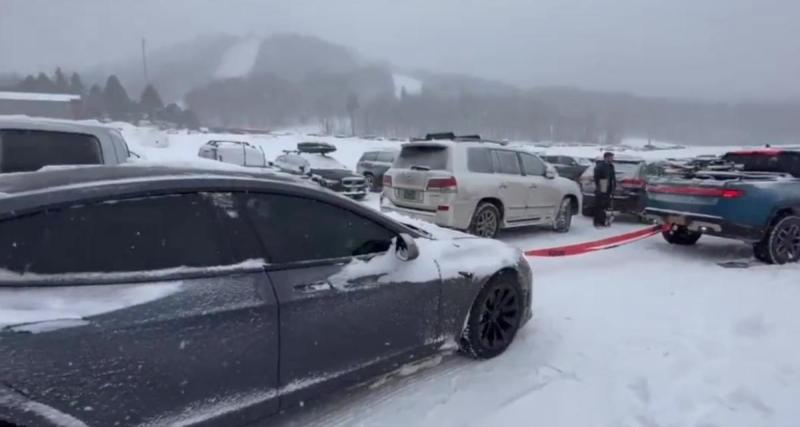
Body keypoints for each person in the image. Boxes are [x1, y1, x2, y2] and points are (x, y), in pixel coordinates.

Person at [593, 151, 616, 227]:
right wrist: (600, 185)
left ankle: (602, 221)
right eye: (611, 157)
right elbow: (596, 177)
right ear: (606, 158)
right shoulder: (600, 166)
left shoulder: (611, 166)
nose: (612, 159)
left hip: (608, 186)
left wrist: (613, 186)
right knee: (599, 204)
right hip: (602, 184)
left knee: (605, 205)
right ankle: (597, 221)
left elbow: (613, 177)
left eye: (612, 157)